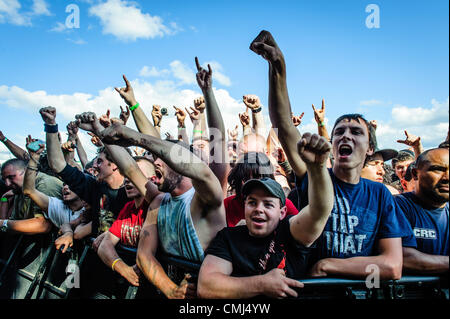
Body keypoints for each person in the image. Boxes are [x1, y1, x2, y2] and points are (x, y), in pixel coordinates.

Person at [249, 30, 413, 280]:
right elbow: (283, 126)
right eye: (339, 132)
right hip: (308, 295)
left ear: (370, 148)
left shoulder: (380, 195)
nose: (346, 136)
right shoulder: (314, 176)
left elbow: (392, 266)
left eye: (356, 132)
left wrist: (328, 266)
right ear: (332, 143)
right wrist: (278, 67)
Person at [98, 120, 225, 299]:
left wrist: (136, 137)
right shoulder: (158, 202)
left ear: (182, 165)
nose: (155, 163)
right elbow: (144, 255)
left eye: (162, 158)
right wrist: (171, 290)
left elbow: (211, 160)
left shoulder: (203, 198)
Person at [197, 133, 334, 299]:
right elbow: (206, 286)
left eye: (268, 204)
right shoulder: (227, 237)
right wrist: (262, 284)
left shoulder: (291, 232)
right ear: (244, 203)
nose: (259, 209)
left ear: (282, 212)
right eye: (252, 202)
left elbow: (319, 211)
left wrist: (317, 168)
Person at [39, 107, 129, 240]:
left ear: (115, 165)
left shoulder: (133, 192)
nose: (94, 165)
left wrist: (98, 128)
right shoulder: (93, 187)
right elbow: (58, 165)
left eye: (99, 161)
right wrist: (50, 125)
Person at [97, 157, 158, 287]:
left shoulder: (156, 207)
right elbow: (104, 246)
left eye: (134, 174)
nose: (127, 179)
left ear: (152, 180)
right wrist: (124, 269)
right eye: (126, 174)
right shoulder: (128, 208)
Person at [395, 148, 449, 274]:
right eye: (438, 169)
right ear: (415, 174)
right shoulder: (397, 206)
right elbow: (403, 257)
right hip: (410, 293)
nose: (447, 177)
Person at [225, 152, 298, 227]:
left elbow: (303, 232)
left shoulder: (283, 204)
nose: (252, 185)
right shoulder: (227, 204)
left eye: (258, 178)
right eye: (246, 178)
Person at [0, 155, 63, 235]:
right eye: (4, 179)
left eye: (11, 177)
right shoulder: (20, 189)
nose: (7, 184)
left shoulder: (45, 185)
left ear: (27, 171)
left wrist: (4, 223)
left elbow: (43, 225)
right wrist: (4, 199)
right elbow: (14, 221)